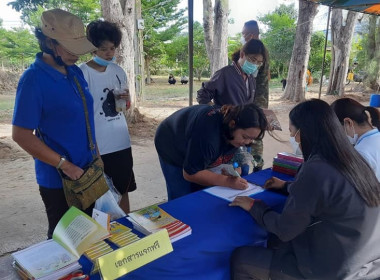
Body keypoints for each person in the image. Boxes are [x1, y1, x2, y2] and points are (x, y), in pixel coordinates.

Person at [229, 99, 380, 280]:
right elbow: (331, 192)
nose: (293, 138)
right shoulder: (354, 158)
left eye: (292, 132)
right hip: (368, 262)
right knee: (276, 242)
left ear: (301, 134)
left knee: (242, 259)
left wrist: (255, 206)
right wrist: (286, 186)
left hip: (336, 270)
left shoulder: (316, 168)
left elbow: (285, 229)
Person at [12, 9, 98, 238]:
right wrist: (64, 165)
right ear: (49, 42)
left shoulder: (75, 72)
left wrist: (96, 155)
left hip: (88, 172)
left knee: (90, 235)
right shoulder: (33, 79)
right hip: (59, 179)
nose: (77, 55)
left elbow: (84, 119)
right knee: (65, 241)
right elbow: (21, 134)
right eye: (71, 48)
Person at [79, 20, 137, 213]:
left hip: (120, 141)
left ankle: (126, 228)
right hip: (96, 145)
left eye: (112, 48)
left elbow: (125, 108)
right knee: (98, 196)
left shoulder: (118, 71)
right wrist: (92, 148)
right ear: (92, 49)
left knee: (123, 189)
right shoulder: (82, 73)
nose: (109, 54)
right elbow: (81, 114)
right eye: (104, 50)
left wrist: (126, 101)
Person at [155, 103, 268, 200]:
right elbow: (190, 173)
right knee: (181, 197)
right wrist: (227, 181)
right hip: (171, 141)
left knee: (202, 190)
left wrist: (233, 171)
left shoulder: (234, 132)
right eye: (245, 137)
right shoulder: (209, 138)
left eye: (252, 139)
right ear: (232, 124)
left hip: (197, 141)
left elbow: (234, 161)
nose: (247, 142)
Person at [197, 39, 268, 171]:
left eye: (259, 63)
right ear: (242, 54)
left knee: (244, 169)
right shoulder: (225, 74)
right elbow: (203, 94)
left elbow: (248, 105)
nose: (255, 65)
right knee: (226, 173)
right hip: (229, 132)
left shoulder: (251, 78)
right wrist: (219, 112)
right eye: (253, 60)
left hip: (244, 134)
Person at [331, 97, 380, 181]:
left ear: (348, 123)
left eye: (337, 129)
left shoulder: (361, 153)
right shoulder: (376, 138)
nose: (338, 134)